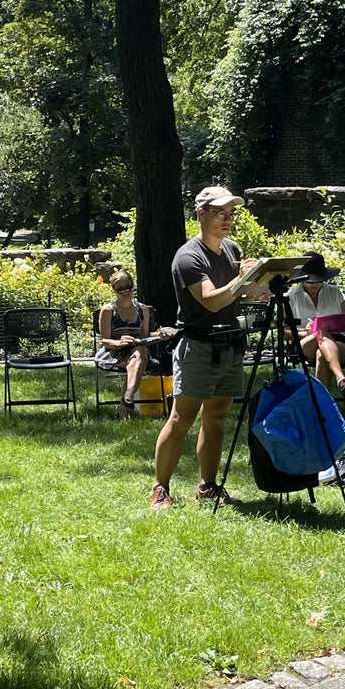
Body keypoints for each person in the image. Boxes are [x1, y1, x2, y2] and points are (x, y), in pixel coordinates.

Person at [150, 186, 264, 509]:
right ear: (200, 214)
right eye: (220, 213)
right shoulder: (188, 257)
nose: (227, 220)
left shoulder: (231, 249)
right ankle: (160, 488)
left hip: (230, 345)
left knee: (216, 416)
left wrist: (259, 285)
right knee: (182, 418)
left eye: (231, 213)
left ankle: (207, 486)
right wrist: (241, 281)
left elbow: (237, 296)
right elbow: (211, 300)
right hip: (197, 345)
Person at [287, 252, 345, 398]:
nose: (314, 284)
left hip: (339, 341)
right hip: (305, 342)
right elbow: (284, 332)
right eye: (310, 281)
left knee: (321, 355)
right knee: (320, 332)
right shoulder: (290, 297)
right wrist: (305, 333)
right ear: (302, 279)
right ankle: (341, 378)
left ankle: (322, 405)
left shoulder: (335, 292)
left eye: (318, 280)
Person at [96, 270, 157, 419]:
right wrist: (119, 342)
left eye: (129, 287)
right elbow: (105, 340)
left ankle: (126, 400)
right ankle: (127, 399)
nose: (126, 292)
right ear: (114, 291)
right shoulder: (108, 310)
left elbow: (144, 336)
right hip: (114, 352)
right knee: (139, 359)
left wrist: (158, 336)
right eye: (121, 289)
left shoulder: (142, 309)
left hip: (137, 349)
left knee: (140, 350)